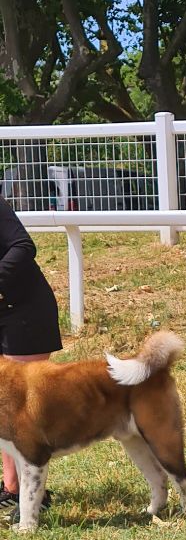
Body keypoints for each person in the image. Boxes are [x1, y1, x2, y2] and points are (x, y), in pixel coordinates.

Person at [0, 194, 63, 512]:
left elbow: (23, 246)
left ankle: (31, 494)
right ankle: (12, 489)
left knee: (17, 410)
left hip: (25, 312)